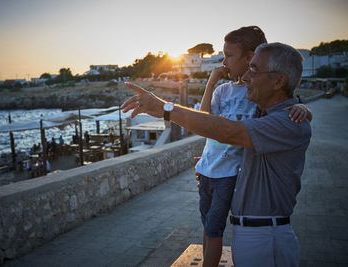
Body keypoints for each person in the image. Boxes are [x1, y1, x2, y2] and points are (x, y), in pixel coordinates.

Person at [122, 42, 311, 267]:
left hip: (265, 238)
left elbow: (226, 130)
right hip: (253, 233)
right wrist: (211, 163)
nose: (247, 78)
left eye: (254, 71)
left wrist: (164, 108)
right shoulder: (268, 115)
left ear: (279, 80)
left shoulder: (287, 122)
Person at [193, 26, 312, 266]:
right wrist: (211, 82)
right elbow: (206, 120)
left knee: (214, 226)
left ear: (249, 58)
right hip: (211, 174)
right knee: (207, 224)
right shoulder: (227, 91)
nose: (223, 61)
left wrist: (304, 109)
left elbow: (281, 109)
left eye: (228, 55)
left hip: (239, 192)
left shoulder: (258, 100)